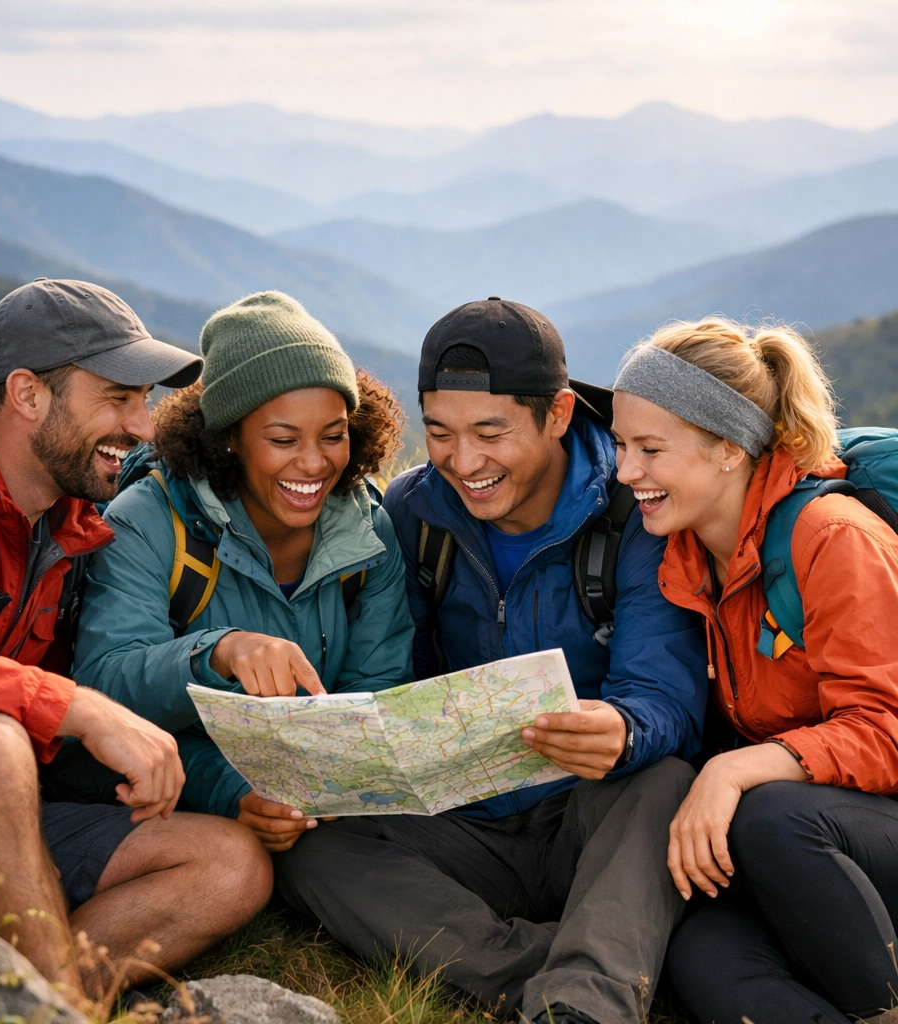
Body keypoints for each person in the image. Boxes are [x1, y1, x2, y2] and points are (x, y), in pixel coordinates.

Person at [275, 297, 708, 1024]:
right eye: (439, 433)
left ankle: (582, 1007)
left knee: (663, 782)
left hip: (585, 818)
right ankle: (555, 965)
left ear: (560, 415)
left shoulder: (633, 516)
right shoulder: (415, 513)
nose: (463, 461)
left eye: (489, 432)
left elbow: (667, 697)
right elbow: (385, 671)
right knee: (313, 848)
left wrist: (623, 729)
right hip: (462, 822)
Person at [0, 279, 273, 1000]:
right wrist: (73, 707)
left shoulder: (66, 523)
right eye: (118, 398)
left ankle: (3, 999)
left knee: (229, 865)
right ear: (28, 395)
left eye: (143, 400)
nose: (144, 426)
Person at [610, 317, 898, 1023]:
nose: (626, 473)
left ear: (729, 449)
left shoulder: (833, 539)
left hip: (844, 825)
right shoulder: (683, 559)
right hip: (823, 845)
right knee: (702, 955)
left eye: (650, 449)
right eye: (620, 445)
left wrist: (736, 769)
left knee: (769, 816)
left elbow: (888, 731)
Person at [72, 290, 415, 851]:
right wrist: (220, 655)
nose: (314, 462)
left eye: (334, 435)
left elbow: (374, 689)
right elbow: (106, 689)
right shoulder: (150, 522)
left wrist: (334, 781)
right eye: (283, 440)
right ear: (228, 438)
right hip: (182, 799)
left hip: (322, 800)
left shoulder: (367, 529)